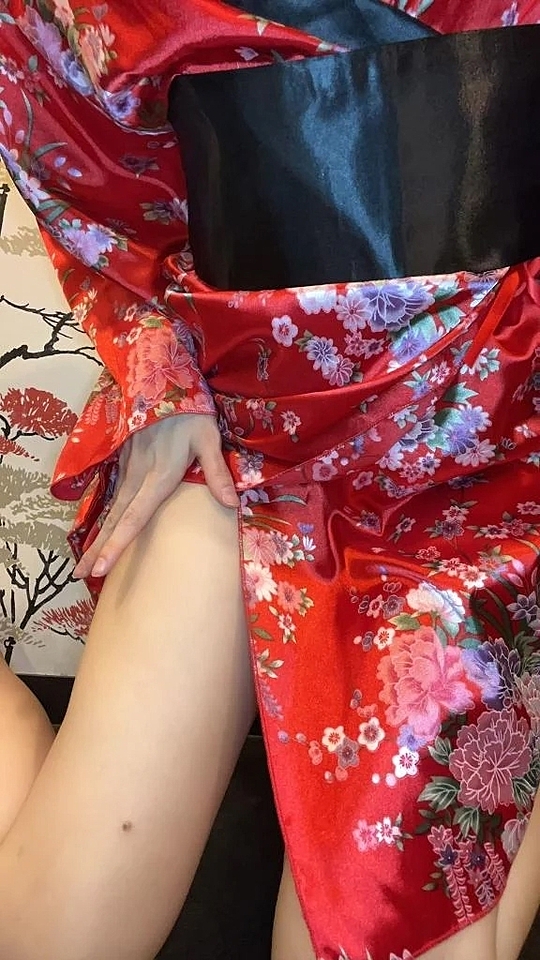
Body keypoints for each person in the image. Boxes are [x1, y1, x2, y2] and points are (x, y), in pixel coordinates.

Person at [0, 1, 539, 959]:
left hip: (490, 425)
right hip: (243, 409)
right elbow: (74, 150)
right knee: (50, 938)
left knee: (388, 930)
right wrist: (155, 367)